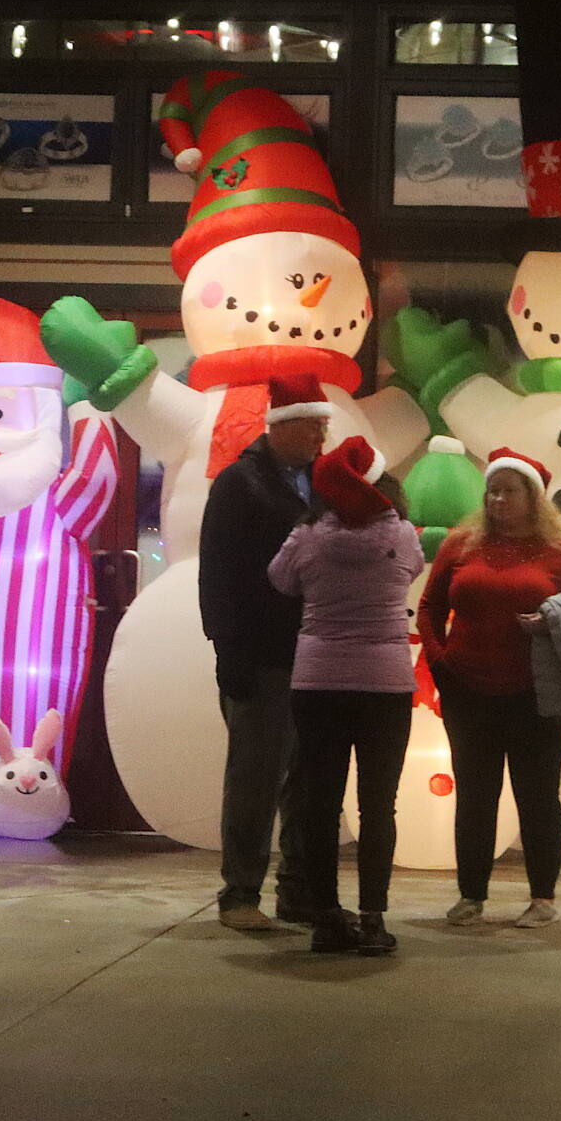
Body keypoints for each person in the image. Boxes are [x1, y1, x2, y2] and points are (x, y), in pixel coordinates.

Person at [418, 448, 561, 928]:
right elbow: (430, 607)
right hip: (469, 691)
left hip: (539, 696)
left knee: (538, 795)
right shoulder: (461, 545)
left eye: (509, 491)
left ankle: (542, 898)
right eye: (492, 491)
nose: (498, 500)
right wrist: (441, 663)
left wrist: (552, 621)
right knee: (476, 795)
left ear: (534, 498)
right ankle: (470, 896)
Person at [267, 436, 424, 955]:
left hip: (317, 684)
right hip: (384, 685)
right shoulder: (402, 537)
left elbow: (279, 580)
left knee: (320, 803)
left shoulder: (307, 536)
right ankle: (374, 920)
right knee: (380, 805)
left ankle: (327, 918)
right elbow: (415, 570)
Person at [198, 372, 330, 930]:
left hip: (318, 653)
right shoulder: (239, 484)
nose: (322, 436)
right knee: (255, 774)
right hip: (262, 652)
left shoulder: (324, 483)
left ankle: (297, 890)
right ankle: (240, 894)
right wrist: (229, 649)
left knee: (307, 778)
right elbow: (218, 571)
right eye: (314, 425)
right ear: (285, 425)